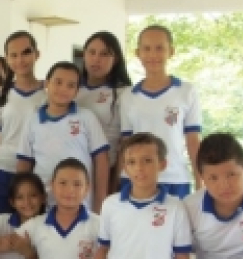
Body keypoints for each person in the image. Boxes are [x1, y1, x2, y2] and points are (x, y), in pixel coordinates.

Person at [120, 25, 202, 198]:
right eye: (147, 48)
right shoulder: (128, 96)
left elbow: (193, 141)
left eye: (159, 48)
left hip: (175, 179)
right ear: (138, 53)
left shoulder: (186, 92)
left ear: (171, 51)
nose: (152, 55)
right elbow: (125, 144)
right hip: (135, 179)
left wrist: (200, 181)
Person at [16, 62, 109, 212]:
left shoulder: (86, 117)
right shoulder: (32, 120)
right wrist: (20, 195)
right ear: (47, 83)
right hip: (43, 201)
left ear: (77, 91)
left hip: (80, 201)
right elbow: (24, 162)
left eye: (71, 85)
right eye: (58, 82)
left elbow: (101, 160)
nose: (63, 89)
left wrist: (100, 202)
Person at [0, 31, 46, 215]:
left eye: (26, 52)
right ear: (7, 59)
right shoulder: (0, 93)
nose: (20, 60)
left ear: (36, 54)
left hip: (34, 173)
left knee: (27, 234)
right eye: (13, 55)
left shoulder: (50, 92)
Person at [77, 31, 131, 193]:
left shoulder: (124, 93)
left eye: (104, 54)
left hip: (106, 170)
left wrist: (115, 181)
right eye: (91, 52)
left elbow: (125, 143)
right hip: (71, 170)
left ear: (116, 59)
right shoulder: (71, 89)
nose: (96, 59)